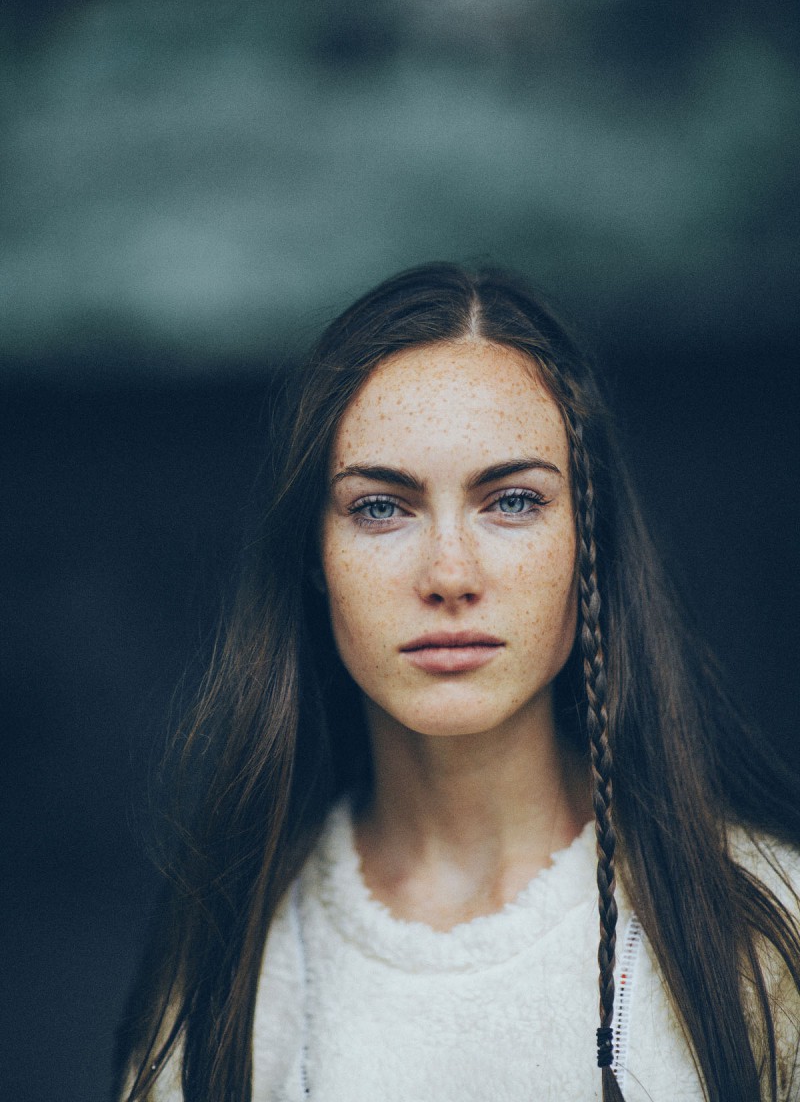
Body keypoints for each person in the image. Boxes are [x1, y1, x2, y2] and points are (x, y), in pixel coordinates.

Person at [115, 262, 800, 1102]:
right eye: (380, 507)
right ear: (314, 559)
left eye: (512, 501)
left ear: (593, 545)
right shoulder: (229, 969)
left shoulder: (762, 929)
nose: (449, 573)